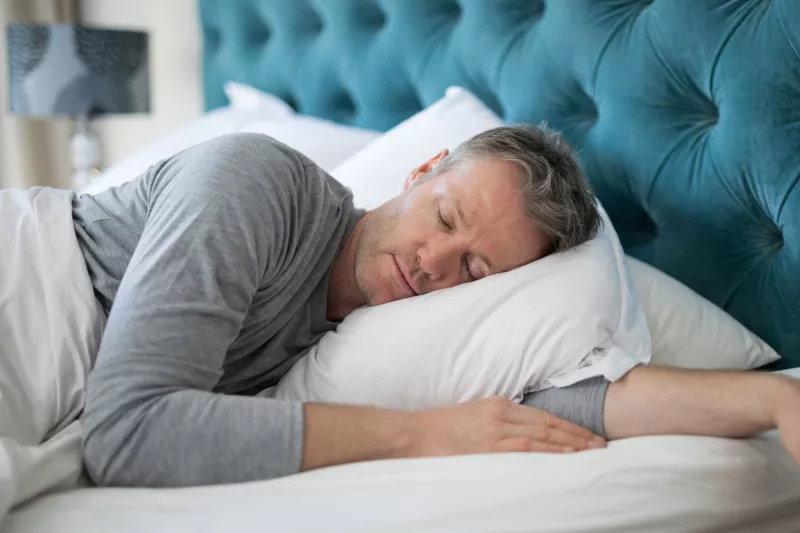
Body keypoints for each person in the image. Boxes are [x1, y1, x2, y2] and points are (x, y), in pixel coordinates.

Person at [75, 127, 800, 488]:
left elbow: (579, 404)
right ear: (423, 170)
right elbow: (126, 433)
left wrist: (773, 398)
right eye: (446, 218)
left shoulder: (386, 342)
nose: (432, 265)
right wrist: (421, 436)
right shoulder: (256, 185)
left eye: (475, 268)